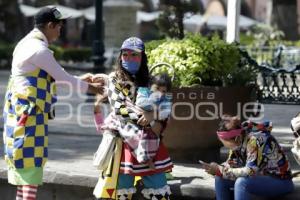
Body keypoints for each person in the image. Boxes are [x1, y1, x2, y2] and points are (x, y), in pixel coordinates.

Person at [2, 6, 104, 200]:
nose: (60, 30)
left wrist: (82, 80)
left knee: (22, 165)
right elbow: (62, 78)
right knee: (31, 165)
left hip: (19, 113)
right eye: (59, 27)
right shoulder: (39, 50)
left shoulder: (25, 43)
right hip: (30, 116)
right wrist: (92, 88)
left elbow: (52, 77)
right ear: (50, 25)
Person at [93, 37, 173, 200]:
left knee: (159, 187)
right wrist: (148, 118)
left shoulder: (151, 80)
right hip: (123, 144)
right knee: (121, 189)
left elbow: (164, 105)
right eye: (126, 54)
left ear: (142, 57)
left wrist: (153, 116)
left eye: (135, 55)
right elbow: (119, 110)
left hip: (150, 142)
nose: (129, 58)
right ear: (120, 56)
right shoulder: (114, 78)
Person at [201, 115, 294, 200]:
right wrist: (216, 168)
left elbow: (250, 171)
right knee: (220, 178)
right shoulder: (238, 140)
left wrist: (221, 170)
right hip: (258, 177)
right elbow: (232, 163)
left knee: (242, 183)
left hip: (281, 181)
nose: (227, 147)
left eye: (226, 144)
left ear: (236, 138)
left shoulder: (255, 140)